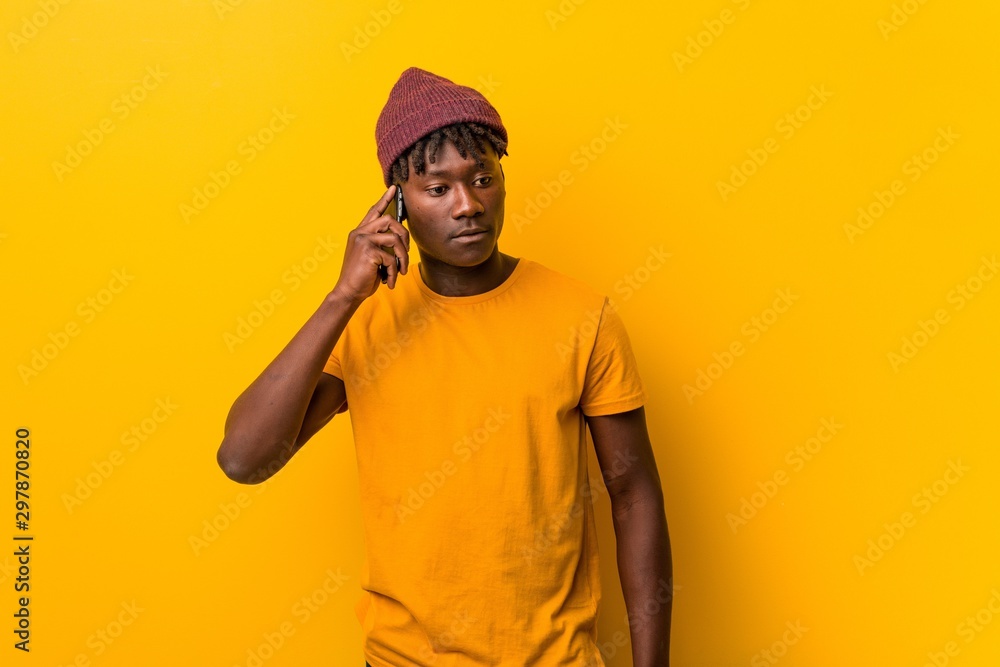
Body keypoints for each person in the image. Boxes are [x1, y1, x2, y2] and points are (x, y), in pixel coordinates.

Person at [217, 67, 672, 666]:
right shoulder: (365, 322)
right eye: (438, 189)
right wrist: (343, 296)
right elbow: (244, 459)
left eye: (483, 179)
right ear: (397, 203)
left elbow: (633, 494)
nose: (468, 206)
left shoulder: (583, 316)